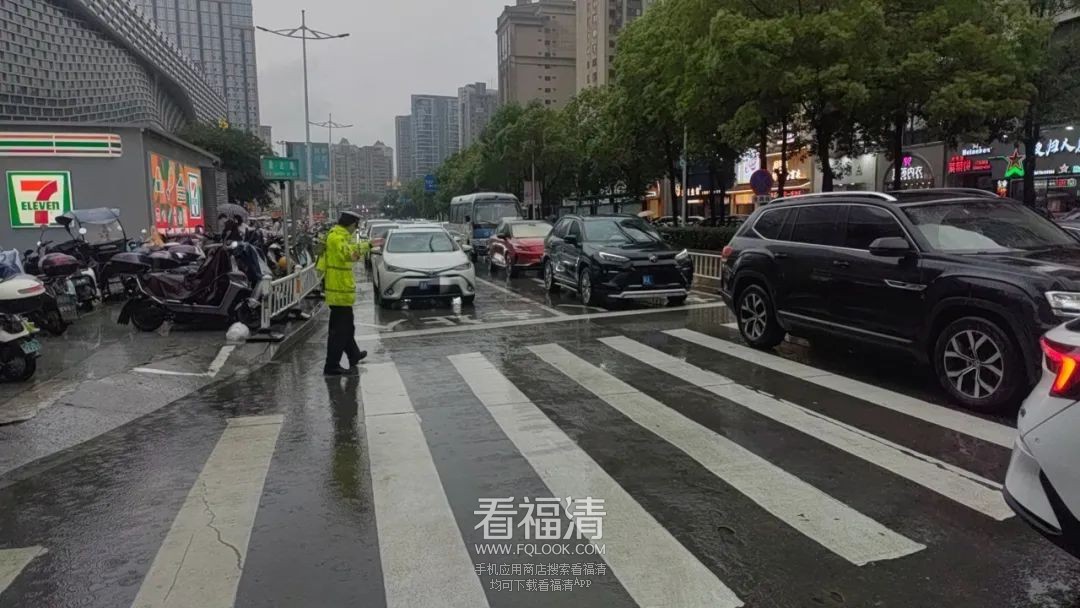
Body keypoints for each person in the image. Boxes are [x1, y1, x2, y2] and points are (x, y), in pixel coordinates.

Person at [319, 210, 369, 376]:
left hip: (341, 292)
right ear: (351, 224)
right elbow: (350, 255)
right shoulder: (336, 238)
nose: (356, 229)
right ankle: (331, 366)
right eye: (356, 226)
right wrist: (367, 246)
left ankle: (353, 354)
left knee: (347, 327)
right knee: (339, 332)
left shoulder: (339, 236)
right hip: (338, 292)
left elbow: (349, 250)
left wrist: (367, 245)